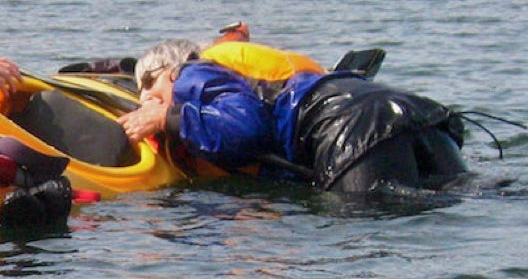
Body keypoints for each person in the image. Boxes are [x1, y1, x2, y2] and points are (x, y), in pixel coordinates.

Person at [119, 37, 468, 193]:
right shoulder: (232, 73)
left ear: (169, 70)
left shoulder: (190, 74)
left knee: (369, 239)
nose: (146, 99)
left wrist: (167, 119)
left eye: (148, 85)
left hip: (351, 128)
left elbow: (247, 128)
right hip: (414, 114)